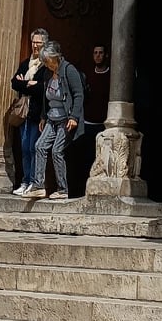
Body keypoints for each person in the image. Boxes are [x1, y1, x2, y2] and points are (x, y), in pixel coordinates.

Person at [25, 41, 84, 201]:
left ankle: (63, 189)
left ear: (55, 57)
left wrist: (74, 117)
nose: (46, 64)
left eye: (48, 60)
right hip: (52, 117)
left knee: (57, 150)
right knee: (40, 146)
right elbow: (46, 98)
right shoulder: (47, 73)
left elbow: (78, 94)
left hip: (66, 119)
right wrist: (44, 116)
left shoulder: (69, 70)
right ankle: (38, 186)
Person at [10, 27, 49, 195]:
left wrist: (27, 84)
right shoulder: (26, 63)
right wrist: (29, 84)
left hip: (37, 113)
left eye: (38, 43)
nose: (35, 46)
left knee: (35, 148)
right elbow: (14, 82)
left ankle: (35, 182)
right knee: (24, 148)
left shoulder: (46, 65)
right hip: (23, 112)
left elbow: (43, 88)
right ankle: (25, 181)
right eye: (33, 42)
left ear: (44, 44)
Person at [81, 43, 111, 185]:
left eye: (100, 52)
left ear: (106, 55)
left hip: (104, 125)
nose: (98, 56)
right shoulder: (87, 74)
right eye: (95, 53)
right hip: (88, 123)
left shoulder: (112, 75)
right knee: (86, 158)